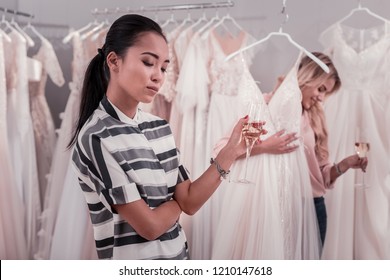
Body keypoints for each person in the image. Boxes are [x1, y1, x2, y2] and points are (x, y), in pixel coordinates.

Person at [68, 14, 251, 260]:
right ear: (114, 61)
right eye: (148, 62)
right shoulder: (96, 137)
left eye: (164, 67)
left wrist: (231, 152)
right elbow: (150, 227)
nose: (158, 76)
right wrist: (179, 204)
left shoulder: (160, 127)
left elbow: (191, 201)